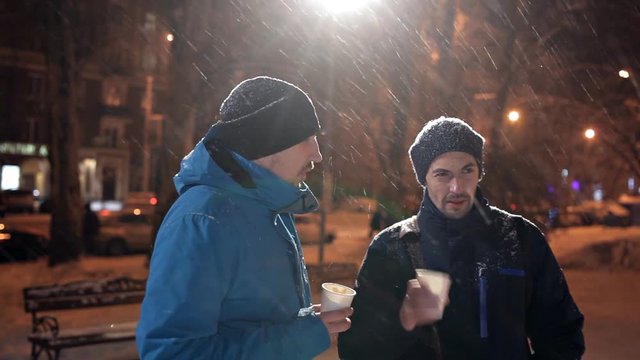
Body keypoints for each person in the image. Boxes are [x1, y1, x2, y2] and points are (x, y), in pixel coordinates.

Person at [136, 76, 352, 359]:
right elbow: (171, 352)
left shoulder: (271, 208)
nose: (318, 154)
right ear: (266, 144)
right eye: (306, 138)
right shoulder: (203, 219)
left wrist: (305, 322)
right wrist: (301, 337)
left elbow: (253, 317)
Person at [338, 117, 584, 359]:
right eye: (442, 174)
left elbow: (562, 335)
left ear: (479, 172)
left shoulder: (520, 238)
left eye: (467, 170)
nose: (456, 187)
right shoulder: (393, 248)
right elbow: (356, 349)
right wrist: (404, 321)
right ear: (424, 179)